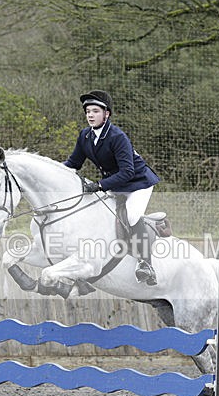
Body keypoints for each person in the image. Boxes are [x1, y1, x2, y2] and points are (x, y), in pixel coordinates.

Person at [63, 90, 160, 285]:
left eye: (95, 111)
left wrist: (99, 185)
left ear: (106, 114)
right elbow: (73, 163)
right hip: (115, 183)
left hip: (137, 184)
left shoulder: (118, 137)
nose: (90, 115)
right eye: (88, 111)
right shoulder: (85, 136)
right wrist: (51, 171)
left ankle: (145, 264)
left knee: (132, 216)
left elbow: (128, 172)